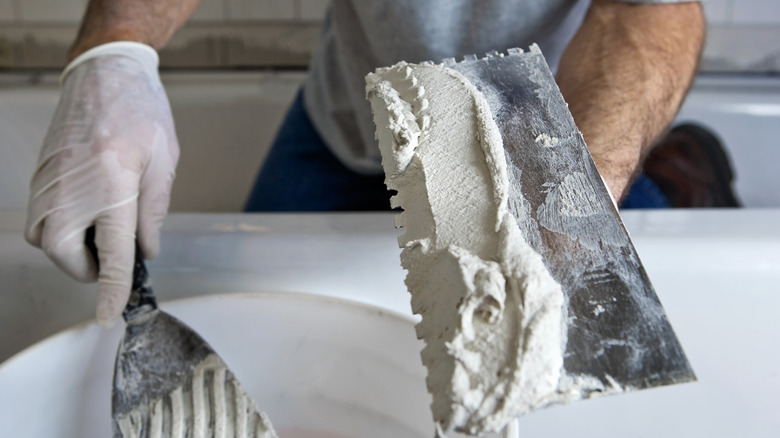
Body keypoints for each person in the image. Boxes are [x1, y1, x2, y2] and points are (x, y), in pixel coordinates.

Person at [23, 0, 705, 326]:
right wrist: (115, 49)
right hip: (351, 126)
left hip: (546, 138)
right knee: (259, 331)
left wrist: (578, 183)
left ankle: (686, 170)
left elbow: (651, 9)